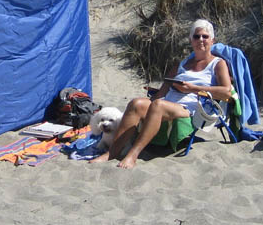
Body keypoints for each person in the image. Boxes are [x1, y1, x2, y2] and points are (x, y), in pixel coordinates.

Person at [90, 19, 232, 169]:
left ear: (212, 40)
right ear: (191, 40)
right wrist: (150, 99)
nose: (201, 40)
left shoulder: (217, 63)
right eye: (196, 37)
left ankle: (132, 155)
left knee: (158, 105)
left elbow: (227, 92)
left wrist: (191, 88)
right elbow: (163, 91)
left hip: (191, 108)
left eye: (205, 36)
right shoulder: (182, 64)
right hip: (167, 102)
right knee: (136, 103)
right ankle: (112, 153)